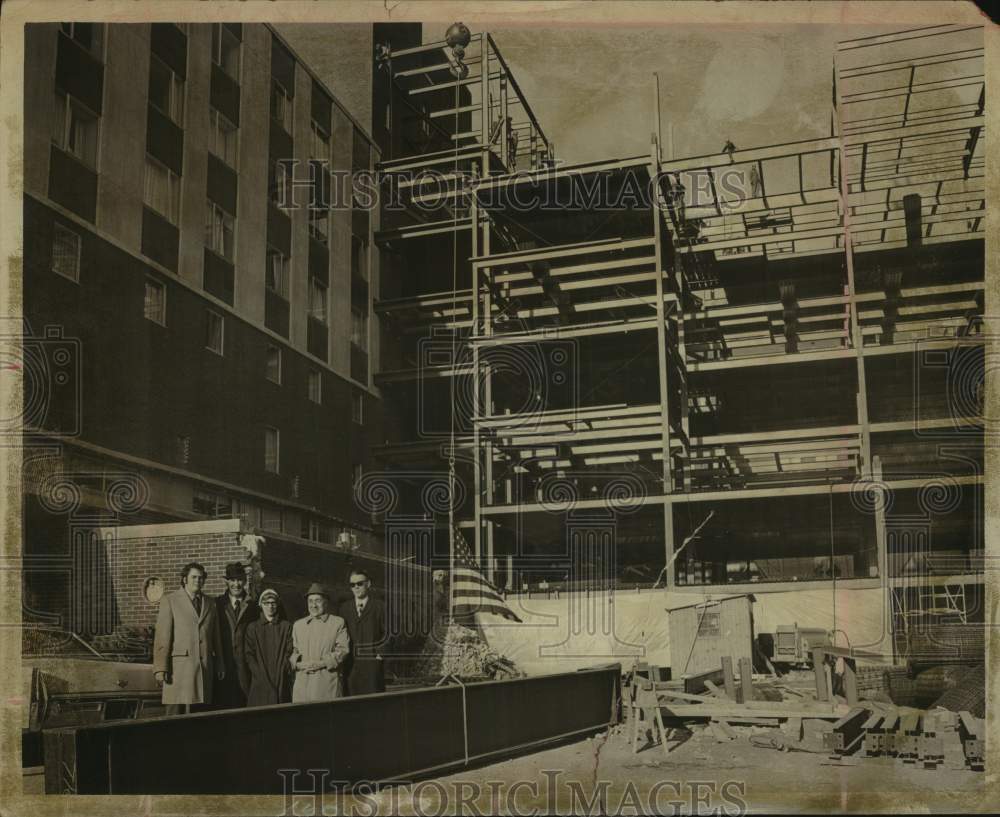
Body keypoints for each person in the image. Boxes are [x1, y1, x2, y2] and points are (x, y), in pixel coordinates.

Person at [152, 562, 224, 715]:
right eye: (194, 577)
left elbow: (216, 637)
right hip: (179, 670)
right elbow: (162, 638)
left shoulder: (210, 603)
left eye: (201, 577)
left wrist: (220, 663)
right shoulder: (170, 600)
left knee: (199, 716)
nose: (198, 581)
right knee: (176, 714)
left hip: (204, 668)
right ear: (184, 579)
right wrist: (160, 668)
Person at [289, 582, 350, 702]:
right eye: (310, 601)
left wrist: (321, 663)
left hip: (326, 684)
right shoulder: (298, 625)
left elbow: (343, 650)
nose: (314, 605)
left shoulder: (337, 623)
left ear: (326, 602)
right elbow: (293, 651)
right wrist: (298, 664)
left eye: (318, 600)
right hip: (302, 685)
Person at [214, 562, 258, 708]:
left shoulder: (253, 606)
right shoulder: (217, 604)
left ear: (244, 581)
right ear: (227, 581)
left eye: (239, 580)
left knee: (245, 706)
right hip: (223, 667)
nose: (236, 584)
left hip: (246, 667)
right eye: (232, 580)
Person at [338, 570, 387, 696]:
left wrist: (380, 655)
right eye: (352, 585)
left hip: (372, 665)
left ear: (368, 584)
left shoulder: (380, 607)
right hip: (351, 666)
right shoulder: (344, 608)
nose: (356, 587)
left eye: (359, 583)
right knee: (351, 704)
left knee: (373, 703)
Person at [243, 588, 294, 706]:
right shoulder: (253, 628)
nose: (270, 606)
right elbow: (249, 654)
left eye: (273, 603)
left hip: (280, 677)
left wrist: (283, 669)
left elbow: (289, 650)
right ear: (261, 605)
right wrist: (259, 675)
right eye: (266, 603)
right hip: (260, 679)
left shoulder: (286, 626)